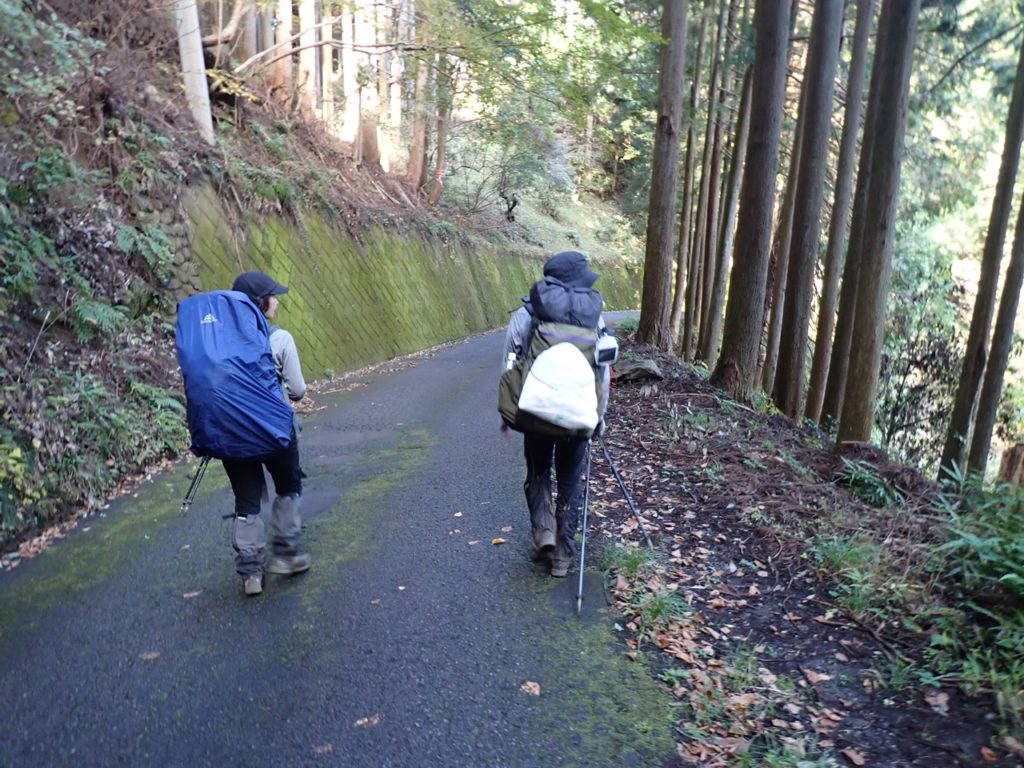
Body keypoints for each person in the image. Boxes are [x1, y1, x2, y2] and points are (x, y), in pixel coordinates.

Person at [502, 251, 610, 577]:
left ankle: (544, 531)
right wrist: (598, 417)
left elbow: (510, 366)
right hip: (578, 414)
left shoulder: (525, 315)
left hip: (536, 413)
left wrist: (508, 414)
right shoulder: (594, 318)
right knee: (569, 480)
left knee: (538, 472)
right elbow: (602, 374)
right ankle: (563, 554)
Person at [226, 270, 311, 596]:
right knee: (288, 485)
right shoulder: (280, 338)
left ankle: (251, 573)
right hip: (276, 432)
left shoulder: (219, 343)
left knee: (246, 499)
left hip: (234, 434)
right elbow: (298, 390)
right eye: (272, 296)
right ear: (260, 302)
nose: (276, 301)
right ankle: (286, 554)